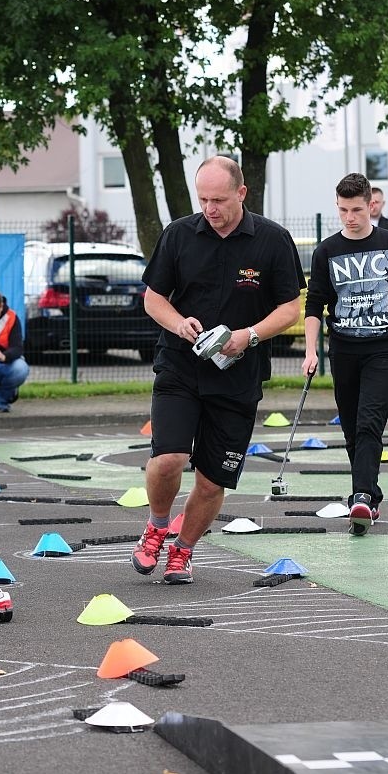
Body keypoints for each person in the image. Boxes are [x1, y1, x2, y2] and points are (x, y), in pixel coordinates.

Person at [131, 155, 305, 584]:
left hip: (238, 376)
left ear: (241, 193)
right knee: (169, 458)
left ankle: (183, 551)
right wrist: (178, 323)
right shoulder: (178, 235)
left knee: (211, 482)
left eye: (219, 200)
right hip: (180, 366)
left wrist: (249, 336)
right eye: (203, 199)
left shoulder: (272, 240)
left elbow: (290, 308)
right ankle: (156, 526)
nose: (210, 208)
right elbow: (153, 298)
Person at [303, 173, 388, 536]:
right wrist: (311, 350)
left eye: (356, 209)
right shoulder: (326, 250)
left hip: (383, 347)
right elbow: (314, 304)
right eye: (342, 210)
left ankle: (361, 496)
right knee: (353, 430)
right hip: (343, 348)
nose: (349, 217)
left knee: (370, 421)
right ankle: (372, 494)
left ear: (371, 205)